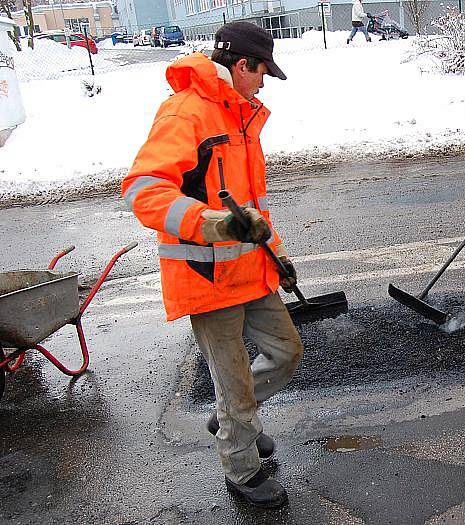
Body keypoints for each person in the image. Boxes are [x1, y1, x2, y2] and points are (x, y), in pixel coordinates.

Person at [121, 21, 304, 508]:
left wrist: (277, 254)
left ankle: (232, 417)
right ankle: (242, 471)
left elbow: (252, 206)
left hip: (251, 270)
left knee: (286, 354)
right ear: (241, 66)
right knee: (236, 387)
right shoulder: (187, 113)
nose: (264, 82)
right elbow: (143, 191)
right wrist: (213, 225)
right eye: (262, 71)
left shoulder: (241, 117)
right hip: (207, 275)